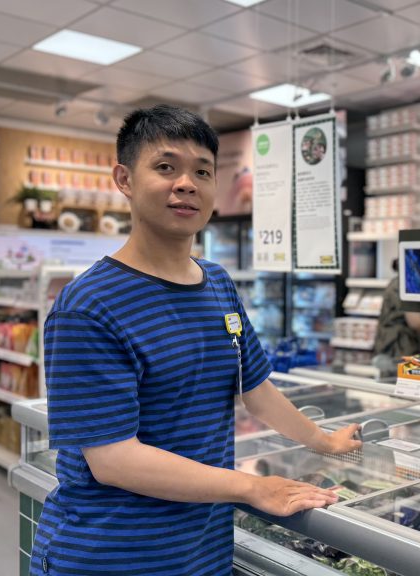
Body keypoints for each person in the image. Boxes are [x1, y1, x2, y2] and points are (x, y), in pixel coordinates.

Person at [30, 105, 361, 576]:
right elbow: (114, 460)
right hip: (109, 555)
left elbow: (255, 389)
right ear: (125, 179)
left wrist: (323, 442)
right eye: (166, 167)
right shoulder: (87, 306)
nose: (186, 184)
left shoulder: (218, 283)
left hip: (201, 553)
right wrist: (251, 487)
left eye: (202, 172)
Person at [371, 259, 420, 377]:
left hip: (388, 346)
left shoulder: (397, 283)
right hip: (398, 347)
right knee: (400, 381)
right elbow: (416, 322)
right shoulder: (405, 286)